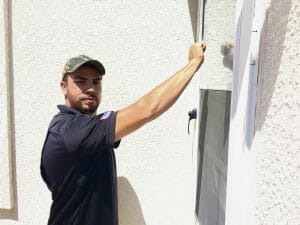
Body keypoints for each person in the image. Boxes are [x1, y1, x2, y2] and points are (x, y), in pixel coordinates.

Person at [40, 41, 206, 225]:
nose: (90, 88)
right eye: (80, 81)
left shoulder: (80, 128)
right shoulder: (71, 130)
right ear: (64, 86)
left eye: (96, 81)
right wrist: (193, 63)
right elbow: (147, 109)